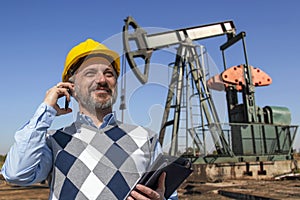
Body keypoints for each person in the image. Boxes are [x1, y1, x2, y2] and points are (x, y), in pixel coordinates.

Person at [2, 38, 178, 200]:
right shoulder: (53, 141)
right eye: (90, 73)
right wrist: (45, 110)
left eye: (109, 73)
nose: (101, 80)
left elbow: (168, 196)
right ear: (71, 87)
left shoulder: (146, 138)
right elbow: (17, 174)